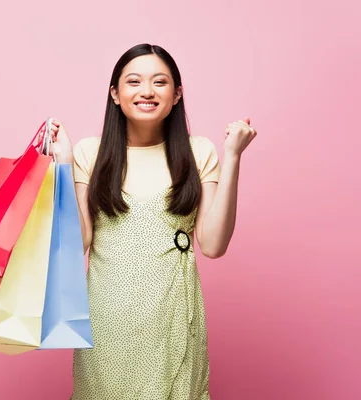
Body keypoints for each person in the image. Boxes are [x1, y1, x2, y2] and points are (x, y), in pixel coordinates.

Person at [46, 43, 257, 399]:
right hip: (107, 319)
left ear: (176, 94)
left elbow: (214, 244)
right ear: (115, 93)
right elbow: (79, 241)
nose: (147, 92)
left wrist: (233, 157)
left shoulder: (199, 151)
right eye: (133, 82)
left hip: (173, 315)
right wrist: (63, 166)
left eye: (160, 82)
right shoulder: (89, 152)